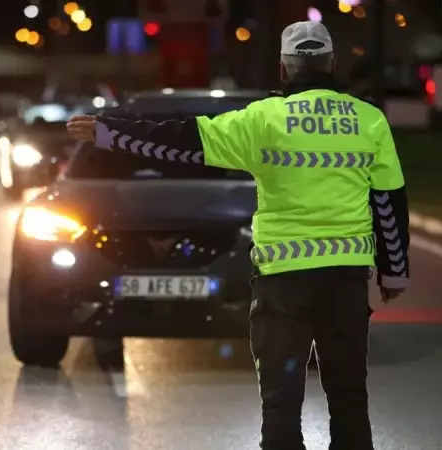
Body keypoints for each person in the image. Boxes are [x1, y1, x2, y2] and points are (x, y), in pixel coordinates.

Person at [67, 20, 409, 450]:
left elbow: (184, 140)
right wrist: (394, 272)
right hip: (345, 281)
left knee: (281, 405)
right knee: (348, 399)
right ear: (332, 64)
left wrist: (109, 131)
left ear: (284, 69)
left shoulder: (264, 120)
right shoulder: (369, 120)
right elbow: (389, 201)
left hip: (283, 280)